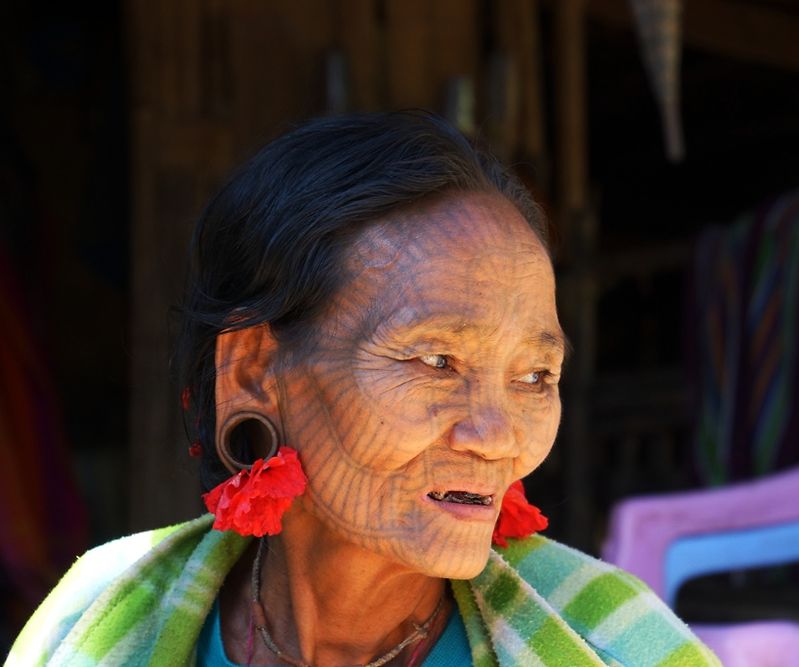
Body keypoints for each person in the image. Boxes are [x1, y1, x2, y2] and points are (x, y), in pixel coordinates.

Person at [8, 112, 719, 666]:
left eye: (535, 377)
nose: (498, 436)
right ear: (254, 369)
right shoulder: (98, 617)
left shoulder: (615, 641)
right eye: (437, 360)